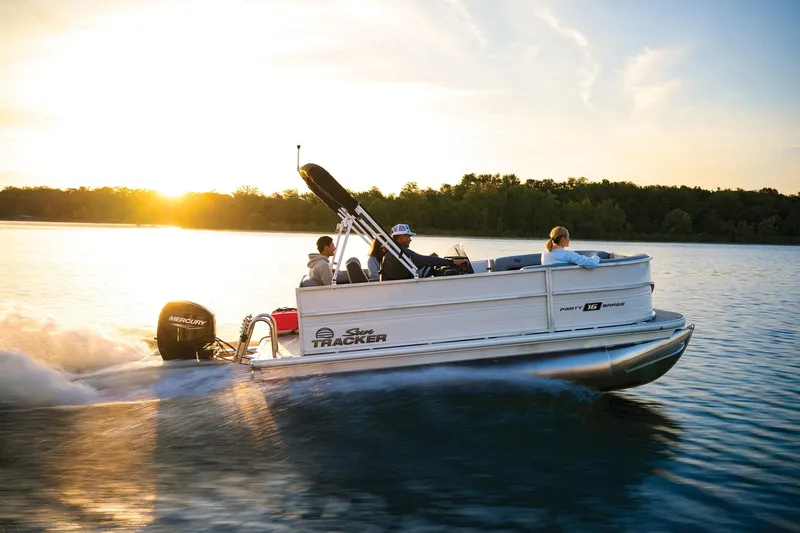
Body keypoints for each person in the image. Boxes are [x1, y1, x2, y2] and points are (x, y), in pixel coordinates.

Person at [380, 223, 468, 281]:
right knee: (433, 267)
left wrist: (433, 260)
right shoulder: (399, 251)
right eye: (408, 236)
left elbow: (418, 260)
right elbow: (421, 259)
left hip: (398, 284)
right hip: (400, 287)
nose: (410, 240)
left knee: (431, 264)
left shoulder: (393, 250)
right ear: (402, 237)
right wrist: (451, 262)